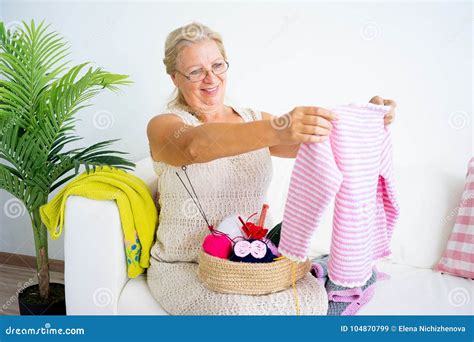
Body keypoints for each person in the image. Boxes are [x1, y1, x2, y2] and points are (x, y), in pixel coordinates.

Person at [146, 22, 397, 315]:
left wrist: (364, 118)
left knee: (308, 305)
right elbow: (194, 147)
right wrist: (280, 129)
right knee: (234, 315)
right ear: (175, 77)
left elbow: (320, 143)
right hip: (186, 266)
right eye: (196, 71)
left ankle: (330, 274)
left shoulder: (254, 119)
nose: (210, 78)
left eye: (217, 65)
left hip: (252, 264)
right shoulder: (164, 126)